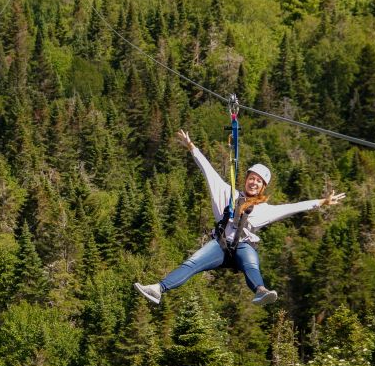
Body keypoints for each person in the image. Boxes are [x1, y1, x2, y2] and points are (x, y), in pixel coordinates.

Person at [134, 130, 345, 305]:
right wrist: (192, 147)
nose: (254, 183)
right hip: (220, 246)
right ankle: (158, 289)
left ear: (263, 187)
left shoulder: (264, 209)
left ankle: (260, 290)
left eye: (258, 181)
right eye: (252, 178)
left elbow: (293, 207)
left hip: (244, 247)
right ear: (246, 180)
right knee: (192, 263)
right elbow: (207, 170)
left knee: (252, 265)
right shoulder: (226, 192)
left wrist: (321, 202)